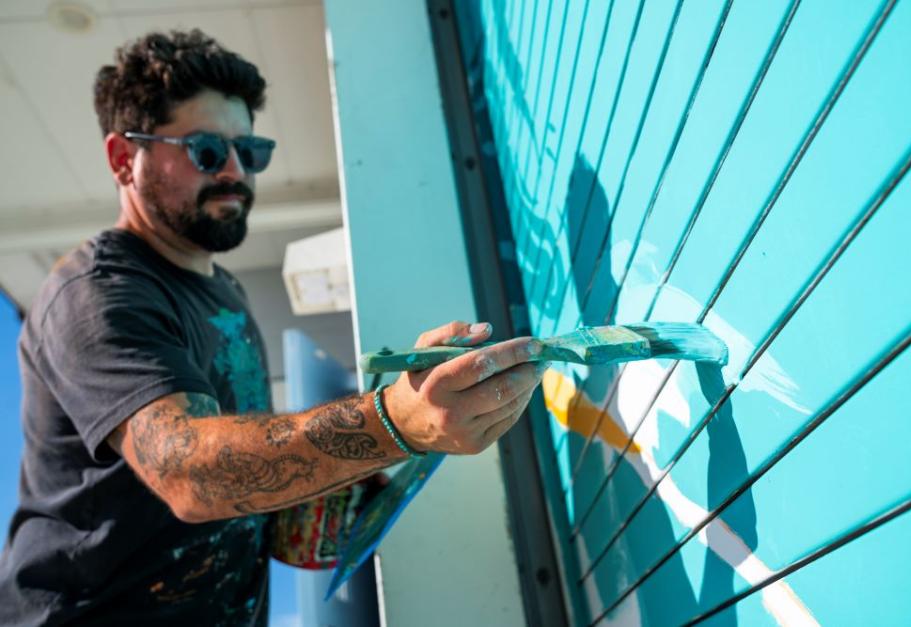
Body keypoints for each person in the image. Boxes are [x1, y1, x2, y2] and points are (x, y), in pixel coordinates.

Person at [0, 29, 545, 625]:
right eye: (207, 150)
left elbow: (246, 489)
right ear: (122, 158)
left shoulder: (224, 291)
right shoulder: (96, 293)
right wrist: (393, 421)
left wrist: (337, 482)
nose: (236, 172)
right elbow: (187, 474)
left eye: (250, 151)